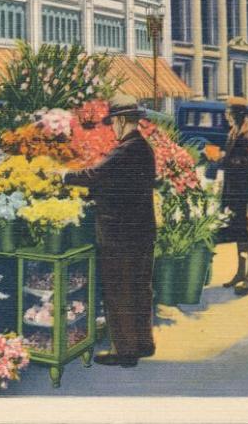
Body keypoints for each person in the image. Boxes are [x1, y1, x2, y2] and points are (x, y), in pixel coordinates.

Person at [62, 93, 156, 367]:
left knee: (119, 291)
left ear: (124, 122)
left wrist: (64, 176)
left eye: (114, 123)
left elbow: (95, 175)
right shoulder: (144, 148)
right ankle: (143, 343)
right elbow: (120, 184)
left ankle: (124, 351)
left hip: (120, 234)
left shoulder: (125, 150)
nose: (112, 128)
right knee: (140, 289)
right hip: (142, 231)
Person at [218, 97, 248, 296]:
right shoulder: (236, 131)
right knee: (240, 233)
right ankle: (240, 272)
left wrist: (224, 160)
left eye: (229, 112)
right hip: (238, 191)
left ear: (237, 113)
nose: (226, 116)